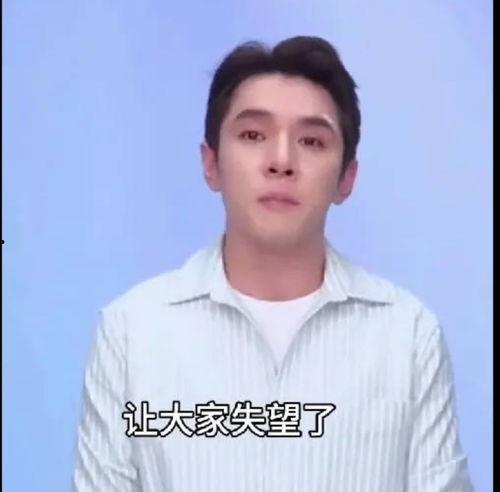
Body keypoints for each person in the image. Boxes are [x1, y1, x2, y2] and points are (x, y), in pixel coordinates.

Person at [72, 35, 474, 491]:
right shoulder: (132, 332)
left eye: (311, 141)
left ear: (346, 178)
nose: (281, 161)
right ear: (211, 164)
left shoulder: (408, 335)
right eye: (253, 135)